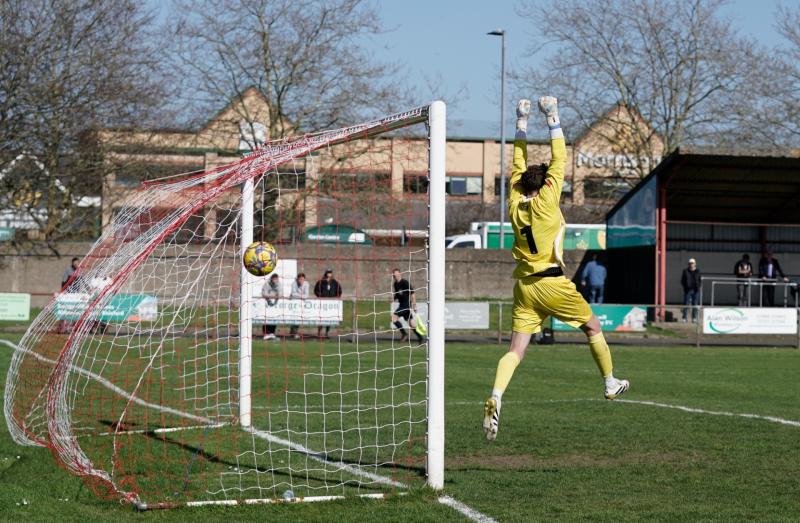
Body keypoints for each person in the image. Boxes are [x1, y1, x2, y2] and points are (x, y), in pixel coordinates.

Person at [482, 97, 629, 442]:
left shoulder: (514, 202)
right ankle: (610, 382)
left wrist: (521, 121)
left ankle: (497, 395)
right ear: (546, 184)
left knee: (515, 351)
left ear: (521, 185)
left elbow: (516, 164)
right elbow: (560, 157)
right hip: (551, 281)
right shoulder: (548, 200)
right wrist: (552, 117)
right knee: (592, 327)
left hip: (524, 287)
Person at [391, 268, 424, 344]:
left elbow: (412, 293)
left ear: (400, 274)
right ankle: (420, 338)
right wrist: (393, 299)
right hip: (402, 305)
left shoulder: (405, 282)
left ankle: (404, 334)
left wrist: (414, 304)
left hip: (406, 305)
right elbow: (397, 294)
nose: (395, 276)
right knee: (411, 324)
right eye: (394, 275)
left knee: (394, 318)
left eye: (396, 274)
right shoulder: (395, 284)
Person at [313, 269, 342, 338]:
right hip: (322, 303)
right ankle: (319, 332)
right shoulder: (321, 282)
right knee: (321, 319)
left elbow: (339, 291)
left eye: (330, 273)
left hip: (331, 304)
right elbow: (316, 290)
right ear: (325, 273)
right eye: (328, 273)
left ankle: (327, 333)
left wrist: (336, 297)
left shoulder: (335, 282)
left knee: (329, 319)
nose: (329, 274)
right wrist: (320, 296)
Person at [680, 258, 701, 322]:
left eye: (692, 263)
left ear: (695, 264)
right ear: (688, 264)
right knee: (686, 304)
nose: (691, 264)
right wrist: (685, 287)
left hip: (695, 290)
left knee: (694, 304)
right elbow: (682, 280)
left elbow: (699, 280)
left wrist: (698, 286)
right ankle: (684, 318)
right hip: (688, 290)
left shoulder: (698, 271)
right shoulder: (685, 271)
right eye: (690, 263)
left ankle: (694, 318)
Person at [289, 272, 309, 339]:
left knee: (299, 318)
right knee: (294, 318)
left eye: (302, 279)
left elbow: (306, 295)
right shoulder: (294, 284)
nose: (301, 281)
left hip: (301, 304)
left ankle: (293, 332)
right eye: (300, 279)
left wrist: (299, 296)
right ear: (297, 279)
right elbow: (292, 294)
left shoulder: (306, 284)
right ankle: (293, 332)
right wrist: (301, 296)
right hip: (293, 303)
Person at [261, 273, 281, 340]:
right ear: (272, 279)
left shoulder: (279, 284)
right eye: (274, 279)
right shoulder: (267, 284)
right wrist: (269, 298)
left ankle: (272, 333)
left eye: (276, 279)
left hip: (275, 304)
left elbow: (280, 293)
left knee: (274, 317)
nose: (275, 280)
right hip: (267, 302)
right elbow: (264, 293)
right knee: (266, 317)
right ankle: (266, 333)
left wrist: (276, 297)